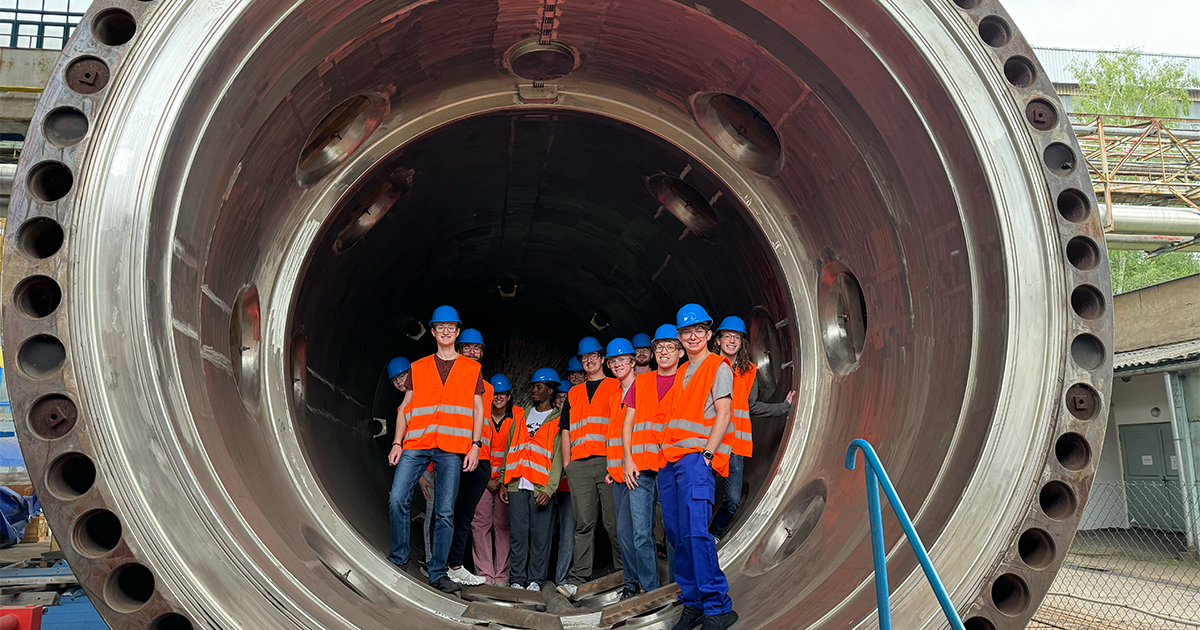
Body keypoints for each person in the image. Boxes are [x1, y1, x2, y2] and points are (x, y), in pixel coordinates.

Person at [387, 305, 487, 594]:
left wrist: (475, 445)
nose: (445, 332)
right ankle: (399, 558)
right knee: (397, 498)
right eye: (439, 327)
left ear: (457, 332)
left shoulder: (472, 369)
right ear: (432, 332)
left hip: (452, 447)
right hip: (417, 444)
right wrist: (396, 442)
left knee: (445, 511)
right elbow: (404, 407)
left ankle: (438, 572)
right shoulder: (418, 367)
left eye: (451, 328)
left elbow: (478, 409)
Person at [660, 304, 738, 630]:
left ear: (708, 335)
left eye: (698, 331)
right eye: (686, 332)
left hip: (695, 460)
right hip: (671, 462)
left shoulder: (717, 366)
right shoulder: (680, 373)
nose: (692, 336)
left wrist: (707, 455)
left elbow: (723, 413)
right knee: (677, 535)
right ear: (680, 338)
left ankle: (718, 607)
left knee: (696, 533)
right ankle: (692, 603)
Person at [708, 316, 796, 540]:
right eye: (726, 336)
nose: (731, 341)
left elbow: (751, 406)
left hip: (735, 444)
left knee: (732, 500)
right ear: (718, 340)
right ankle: (697, 539)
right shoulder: (707, 367)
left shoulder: (749, 372)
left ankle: (713, 533)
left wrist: (783, 407)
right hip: (708, 441)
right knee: (700, 496)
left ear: (742, 343)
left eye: (736, 337)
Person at [556, 337, 624, 599]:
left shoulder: (615, 385)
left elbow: (622, 423)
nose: (589, 360)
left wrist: (618, 461)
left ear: (602, 358)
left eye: (593, 355)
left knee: (613, 522)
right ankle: (578, 577)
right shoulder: (574, 392)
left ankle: (624, 573)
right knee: (583, 524)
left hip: (608, 462)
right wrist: (567, 464)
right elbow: (566, 431)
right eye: (584, 358)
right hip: (580, 466)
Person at [619, 325, 681, 596]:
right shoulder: (640, 382)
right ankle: (652, 590)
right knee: (641, 534)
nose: (664, 352)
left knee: (673, 530)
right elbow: (628, 423)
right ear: (653, 352)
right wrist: (628, 459)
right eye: (659, 348)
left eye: (670, 347)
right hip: (640, 467)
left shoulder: (687, 381)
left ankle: (677, 587)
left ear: (680, 352)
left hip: (671, 465)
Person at [499, 368, 564, 591]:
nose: (534, 391)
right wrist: (503, 481)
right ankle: (517, 580)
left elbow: (558, 457)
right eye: (533, 387)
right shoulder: (521, 416)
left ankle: (535, 580)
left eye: (539, 387)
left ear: (550, 390)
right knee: (518, 535)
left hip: (540, 488)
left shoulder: (557, 420)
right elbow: (510, 448)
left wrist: (550, 488)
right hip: (518, 484)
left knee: (540, 537)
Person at [601, 338, 649, 600]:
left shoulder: (644, 388)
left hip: (638, 471)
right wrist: (612, 467)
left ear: (633, 362)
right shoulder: (613, 397)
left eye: (622, 360)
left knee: (637, 532)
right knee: (623, 532)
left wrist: (635, 463)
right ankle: (631, 583)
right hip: (619, 474)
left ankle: (642, 583)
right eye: (613, 361)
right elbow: (616, 436)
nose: (617, 364)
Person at [443, 328, 492, 586]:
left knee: (463, 517)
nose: (473, 352)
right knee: (444, 512)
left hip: (480, 461)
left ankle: (455, 566)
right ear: (459, 350)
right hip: (454, 456)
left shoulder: (488, 387)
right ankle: (438, 563)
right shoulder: (449, 382)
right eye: (468, 347)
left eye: (478, 348)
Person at [473, 374, 521, 585]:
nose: (499, 398)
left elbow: (519, 450)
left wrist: (503, 481)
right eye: (495, 394)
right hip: (482, 479)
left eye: (503, 394)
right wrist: (485, 480)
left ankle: (502, 576)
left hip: (505, 481)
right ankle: (484, 574)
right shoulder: (480, 414)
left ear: (509, 396)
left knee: (503, 526)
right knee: (480, 525)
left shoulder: (518, 416)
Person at [550, 379, 575, 586]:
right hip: (546, 487)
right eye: (559, 397)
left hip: (568, 486)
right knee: (546, 534)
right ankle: (540, 577)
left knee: (568, 533)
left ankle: (562, 579)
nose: (562, 401)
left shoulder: (576, 421)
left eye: (566, 398)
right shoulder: (546, 421)